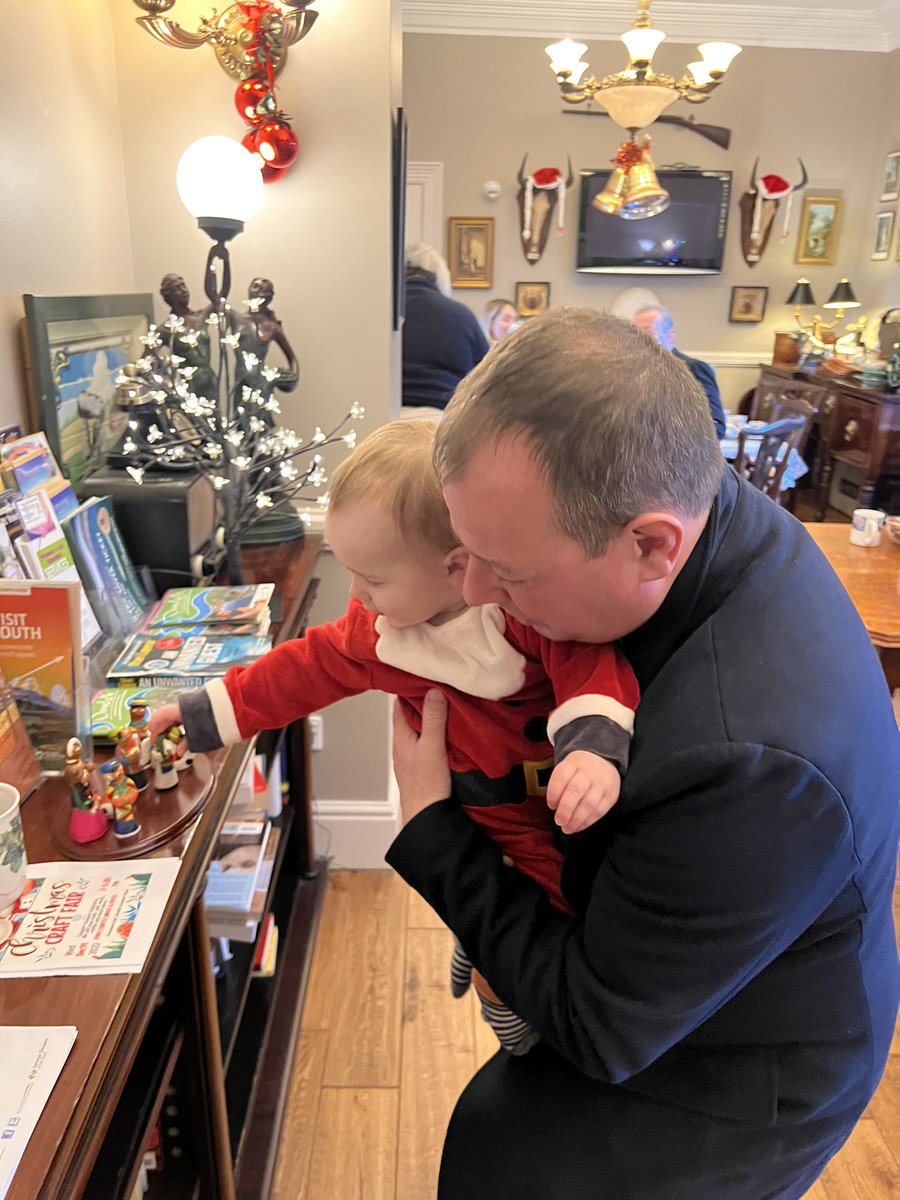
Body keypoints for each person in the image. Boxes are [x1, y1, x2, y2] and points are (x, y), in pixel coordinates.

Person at [386, 308, 899, 1200]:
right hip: (687, 972)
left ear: (651, 544)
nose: (470, 593)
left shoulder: (751, 761)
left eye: (507, 572)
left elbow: (596, 1026)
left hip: (743, 1072)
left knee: (497, 1160)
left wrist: (432, 825)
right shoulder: (706, 506)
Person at [148, 418, 639, 1054]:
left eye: (373, 581)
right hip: (468, 814)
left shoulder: (521, 615)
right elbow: (300, 670)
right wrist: (202, 716)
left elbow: (591, 666)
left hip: (541, 814)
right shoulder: (381, 634)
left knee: (545, 916)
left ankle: (510, 1013)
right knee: (475, 894)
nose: (355, 596)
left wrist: (595, 753)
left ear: (456, 567)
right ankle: (492, 982)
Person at [401, 244, 488, 418]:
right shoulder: (461, 316)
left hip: (382, 415)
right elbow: (486, 375)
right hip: (442, 417)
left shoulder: (382, 313)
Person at [633, 304, 727, 438]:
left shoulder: (694, 369)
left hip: (681, 455)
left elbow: (716, 427)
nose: (640, 340)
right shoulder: (632, 372)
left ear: (670, 336)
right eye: (635, 333)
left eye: (648, 333)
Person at [231, 276, 299, 420]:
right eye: (256, 287)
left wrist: (291, 379)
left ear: (269, 297)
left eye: (264, 290)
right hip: (241, 384)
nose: (259, 292)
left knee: (260, 428)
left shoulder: (272, 327)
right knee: (240, 426)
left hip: (261, 384)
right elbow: (217, 300)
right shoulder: (236, 319)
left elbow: (292, 357)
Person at [158, 273, 217, 402]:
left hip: (210, 383)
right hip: (188, 388)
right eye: (177, 289)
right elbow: (146, 358)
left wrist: (219, 263)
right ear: (169, 296)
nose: (184, 291)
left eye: (183, 286)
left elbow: (219, 296)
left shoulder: (201, 317)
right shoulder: (167, 329)